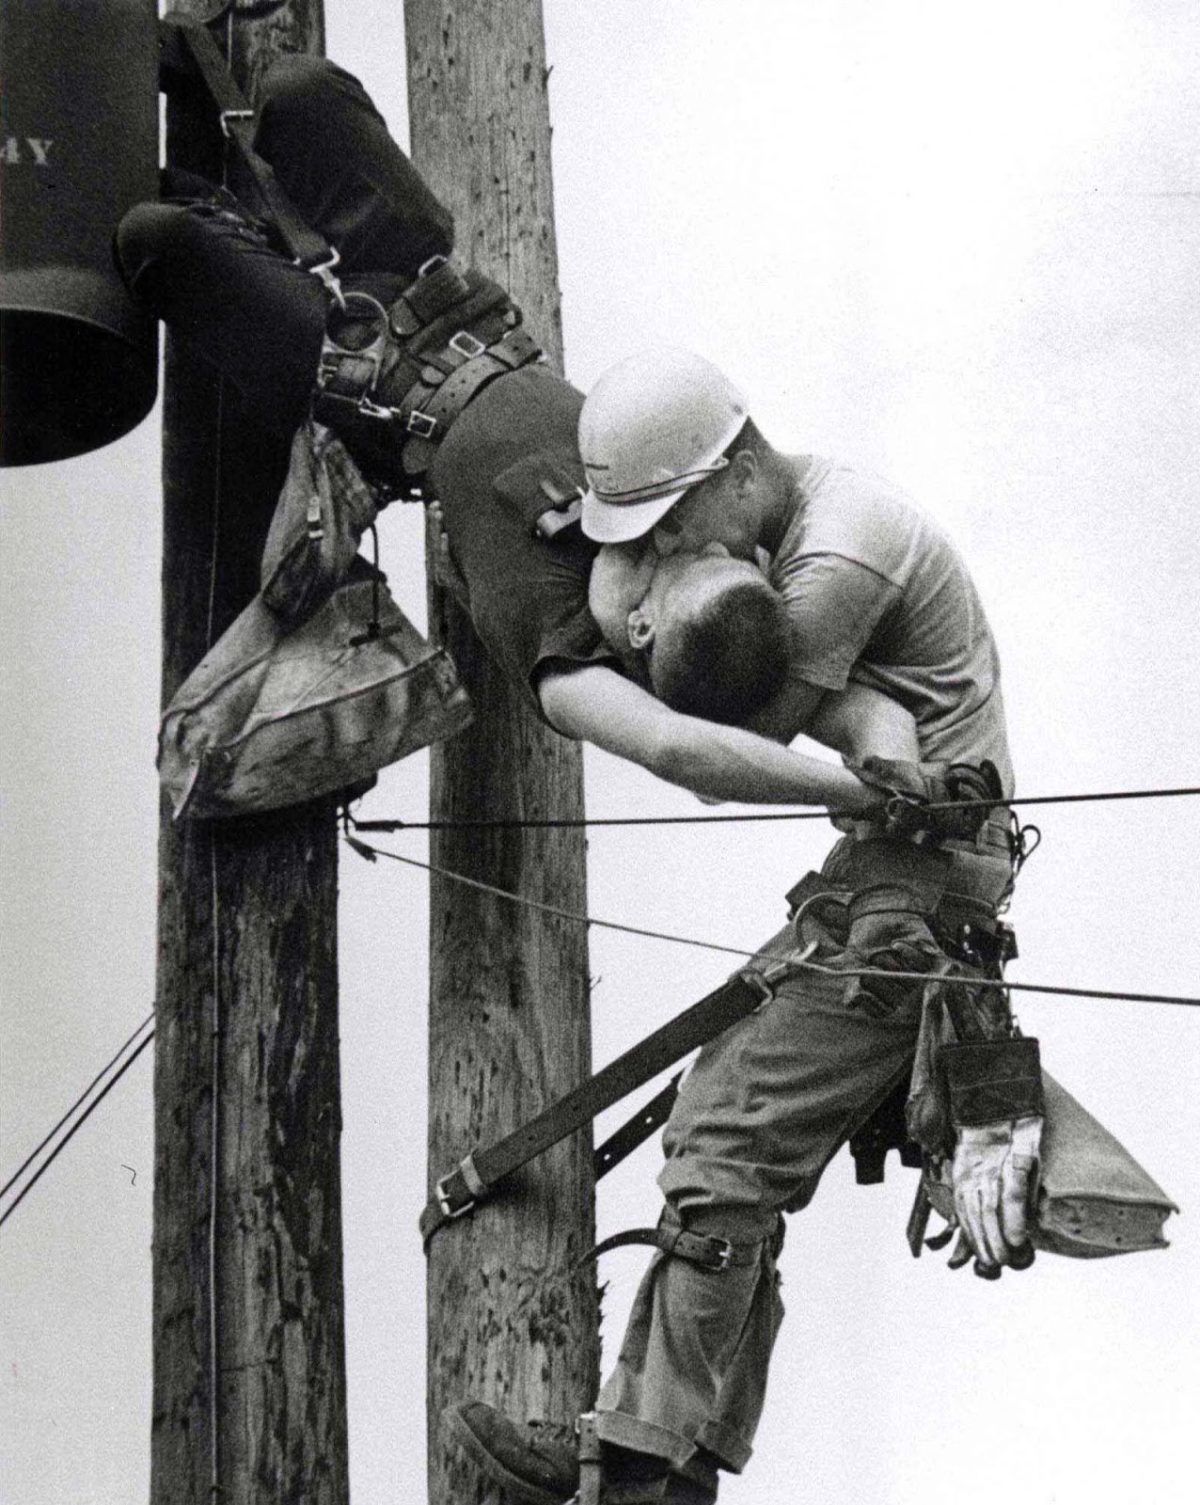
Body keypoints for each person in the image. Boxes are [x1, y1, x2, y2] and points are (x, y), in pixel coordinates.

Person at [445, 352, 1043, 1505]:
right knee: (727, 1139)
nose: (665, 554)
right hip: (891, 884)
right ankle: (668, 1465)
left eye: (669, 526)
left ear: (738, 469)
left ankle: (631, 1470)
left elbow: (695, 727)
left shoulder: (838, 551)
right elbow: (851, 717)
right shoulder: (791, 524)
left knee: (724, 1145)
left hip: (909, 900)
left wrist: (587, 602)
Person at [115, 52, 935, 823]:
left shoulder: (576, 657)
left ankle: (211, 217)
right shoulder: (672, 557)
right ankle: (245, 207)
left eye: (674, 566)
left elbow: (683, 751)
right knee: (295, 88)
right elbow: (874, 710)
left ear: (643, 630)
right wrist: (897, 784)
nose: (675, 541)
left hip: (355, 371)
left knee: (153, 235)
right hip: (436, 289)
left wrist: (850, 804)